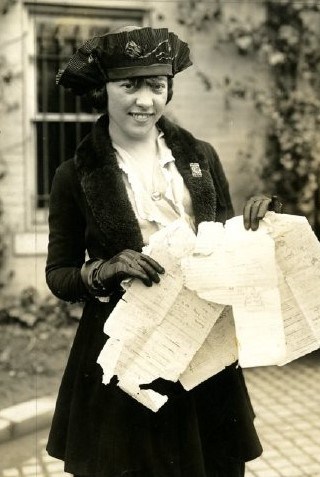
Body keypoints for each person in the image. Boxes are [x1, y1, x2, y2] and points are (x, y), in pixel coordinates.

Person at [45, 25, 281, 477]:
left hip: (202, 350)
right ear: (104, 89)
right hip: (127, 356)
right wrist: (103, 269)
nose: (144, 100)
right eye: (129, 84)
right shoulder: (74, 174)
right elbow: (59, 273)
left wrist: (260, 225)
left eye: (156, 85)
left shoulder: (201, 157)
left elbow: (224, 242)